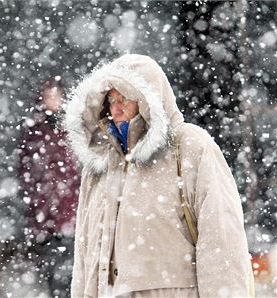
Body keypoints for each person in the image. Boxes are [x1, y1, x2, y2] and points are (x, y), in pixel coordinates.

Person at [63, 54, 254, 298]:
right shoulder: (99, 163)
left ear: (148, 99)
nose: (116, 108)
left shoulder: (190, 147)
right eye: (111, 100)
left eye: (125, 98)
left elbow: (222, 242)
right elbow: (84, 255)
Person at [18, 79, 80, 298]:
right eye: (48, 96)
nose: (52, 100)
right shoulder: (35, 131)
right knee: (55, 274)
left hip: (70, 215)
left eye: (56, 95)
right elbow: (28, 172)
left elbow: (77, 169)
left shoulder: (72, 128)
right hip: (47, 218)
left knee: (73, 273)